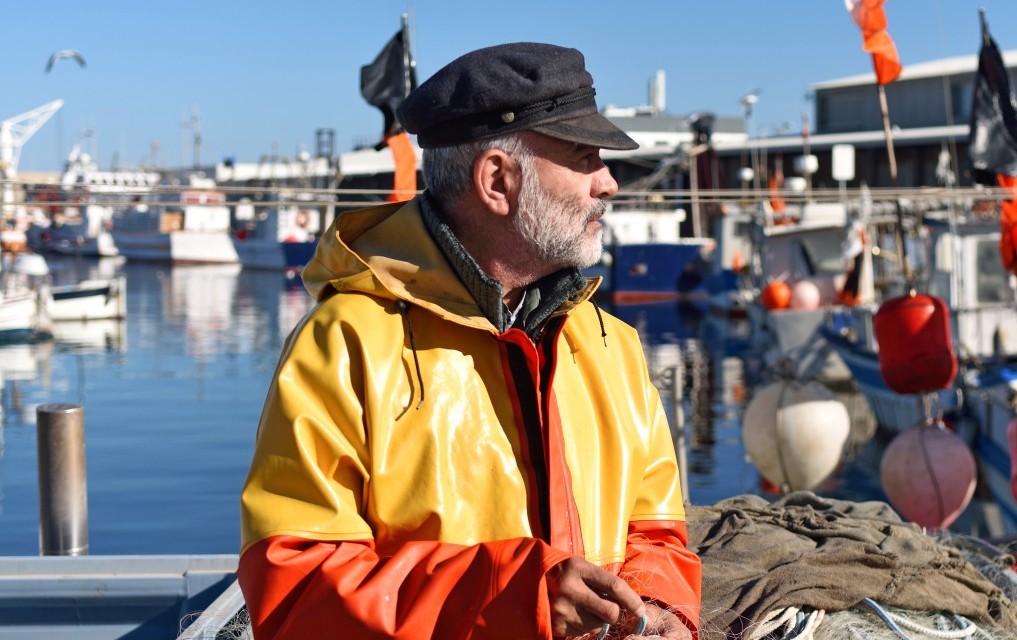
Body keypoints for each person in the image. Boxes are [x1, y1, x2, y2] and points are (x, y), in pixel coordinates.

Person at [238, 42, 702, 639]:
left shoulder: (615, 345)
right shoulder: (346, 344)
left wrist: (656, 608)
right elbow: (295, 588)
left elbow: (655, 531)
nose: (608, 183)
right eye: (585, 157)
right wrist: (511, 598)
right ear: (497, 179)